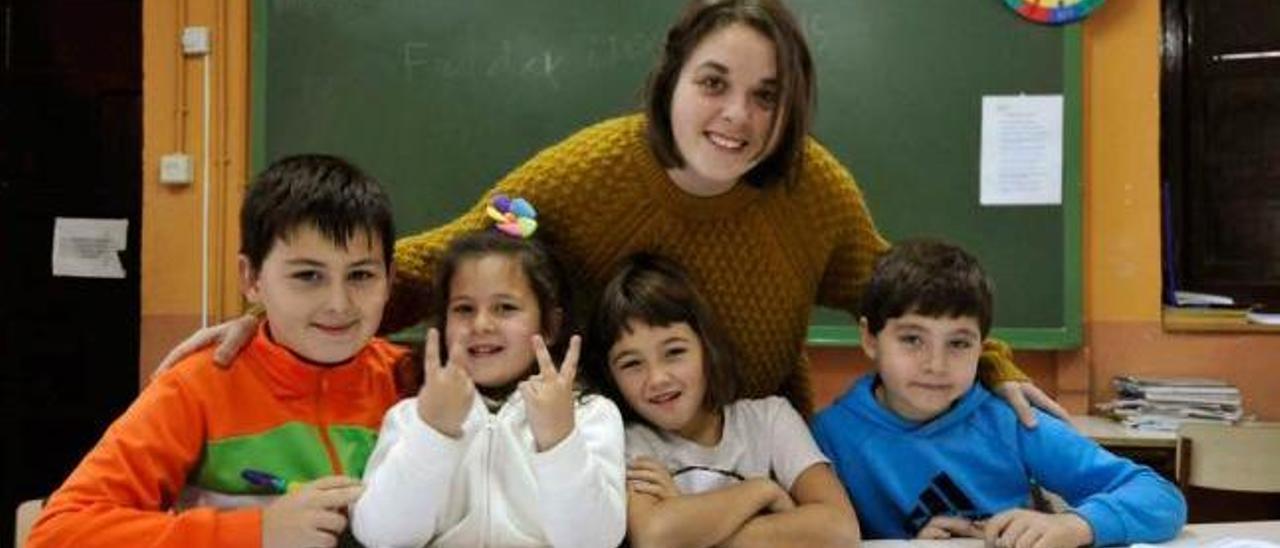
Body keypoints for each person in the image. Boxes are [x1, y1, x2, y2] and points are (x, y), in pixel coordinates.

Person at [158, 0, 1063, 420]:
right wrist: (268, 318)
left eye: (766, 94)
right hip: (608, 454)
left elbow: (900, 288)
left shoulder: (814, 188)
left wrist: (997, 366)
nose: (737, 116)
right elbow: (459, 254)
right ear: (673, 81)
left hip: (761, 447)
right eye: (715, 83)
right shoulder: (585, 171)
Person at [28, 154, 410, 547]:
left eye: (361, 275)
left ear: (390, 278)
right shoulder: (198, 387)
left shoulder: (414, 382)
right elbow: (57, 534)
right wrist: (254, 533)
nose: (339, 304)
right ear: (251, 279)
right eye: (307, 275)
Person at [811, 240, 1186, 546]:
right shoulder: (828, 437)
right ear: (869, 340)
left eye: (959, 343)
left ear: (982, 347)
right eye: (912, 339)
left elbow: (1159, 497)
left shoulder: (1010, 421)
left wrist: (1073, 526)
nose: (936, 364)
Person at [351, 221, 627, 548]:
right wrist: (433, 431)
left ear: (550, 326)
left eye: (505, 308)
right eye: (464, 309)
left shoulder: (589, 414)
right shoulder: (412, 416)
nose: (481, 324)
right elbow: (382, 535)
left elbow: (595, 540)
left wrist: (559, 439)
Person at [581, 253, 860, 547]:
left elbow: (840, 529)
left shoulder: (771, 419)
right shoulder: (629, 443)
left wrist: (691, 527)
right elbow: (656, 536)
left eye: (674, 352)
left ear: (706, 346)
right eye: (631, 364)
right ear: (611, 375)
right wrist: (762, 491)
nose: (657, 378)